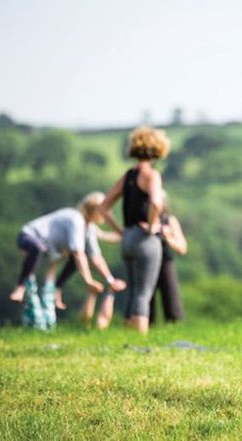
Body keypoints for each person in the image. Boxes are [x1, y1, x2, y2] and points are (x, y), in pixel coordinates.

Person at [8, 192, 125, 329]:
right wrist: (88, 280)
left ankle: (56, 290)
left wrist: (110, 280)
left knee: (74, 260)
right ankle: (21, 287)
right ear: (96, 211)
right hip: (30, 237)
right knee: (43, 252)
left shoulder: (89, 228)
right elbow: (78, 253)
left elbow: (96, 257)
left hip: (50, 249)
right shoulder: (76, 220)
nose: (108, 214)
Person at [99, 126, 169, 335]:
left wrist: (120, 231)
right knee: (144, 293)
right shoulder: (152, 175)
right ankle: (140, 339)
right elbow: (156, 203)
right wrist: (151, 226)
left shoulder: (129, 175)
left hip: (128, 239)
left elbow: (103, 207)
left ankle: (129, 336)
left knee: (133, 291)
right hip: (145, 240)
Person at [149, 190, 188, 325]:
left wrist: (168, 237)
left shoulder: (169, 220)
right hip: (146, 262)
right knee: (146, 298)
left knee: (171, 296)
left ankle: (175, 325)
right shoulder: (142, 221)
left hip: (165, 261)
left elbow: (182, 248)